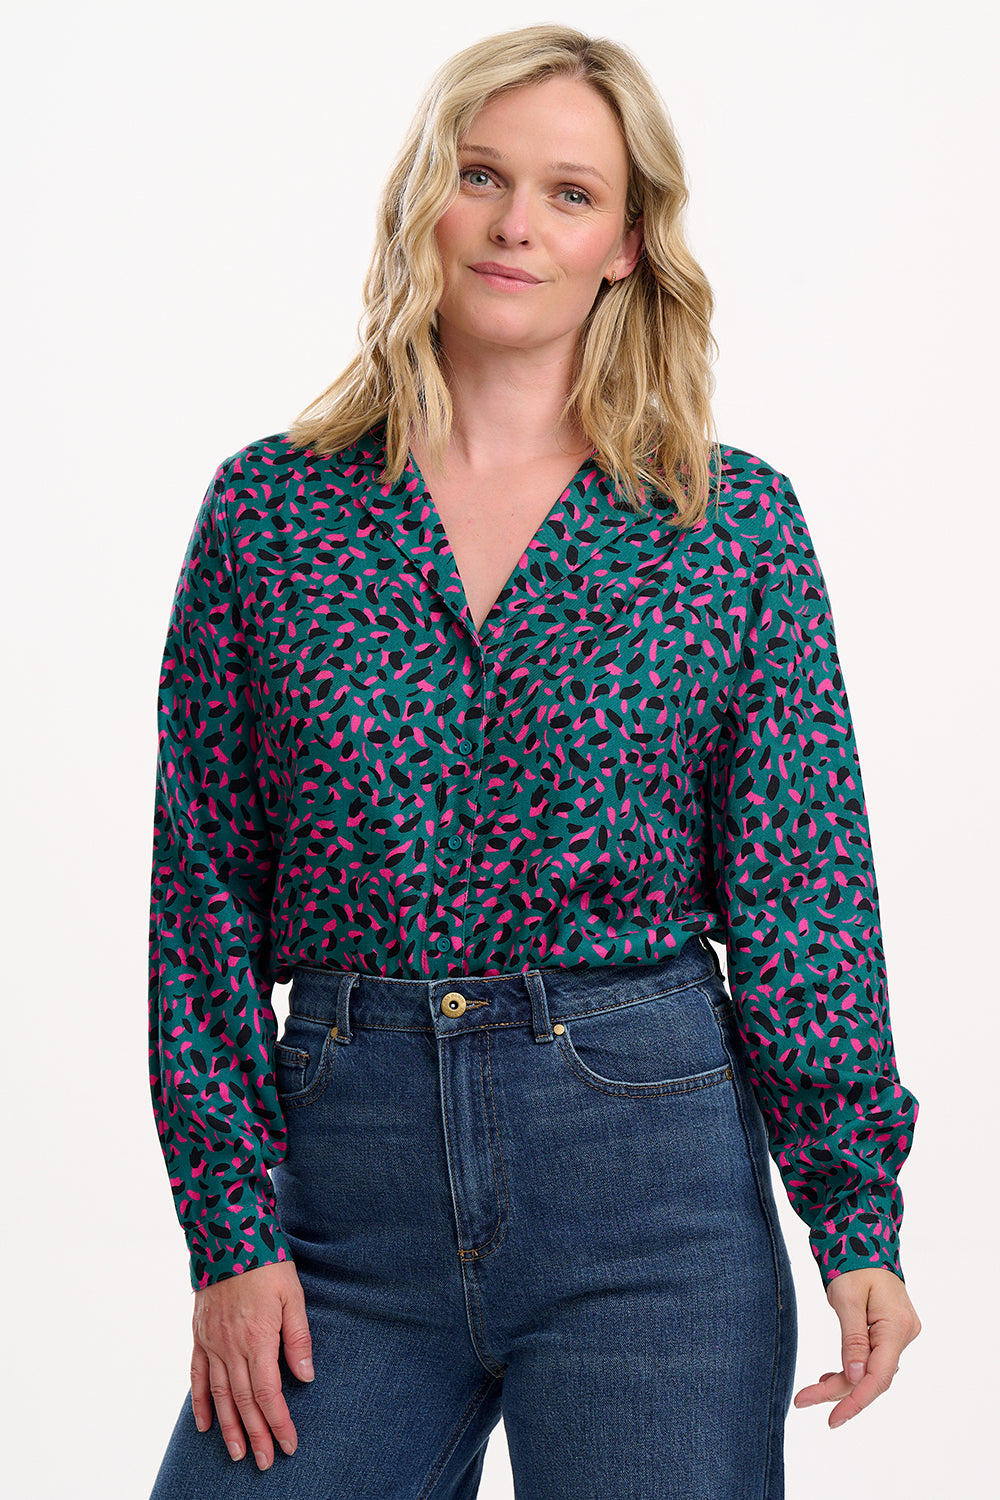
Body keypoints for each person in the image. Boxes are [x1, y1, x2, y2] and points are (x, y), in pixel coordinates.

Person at [146, 23, 921, 1499]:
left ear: (625, 246)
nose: (516, 225)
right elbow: (203, 899)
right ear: (423, 202)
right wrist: (231, 1233)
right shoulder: (271, 515)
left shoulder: (727, 528)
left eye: (571, 194)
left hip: (650, 1198)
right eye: (481, 176)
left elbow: (803, 890)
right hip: (344, 1199)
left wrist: (856, 1218)